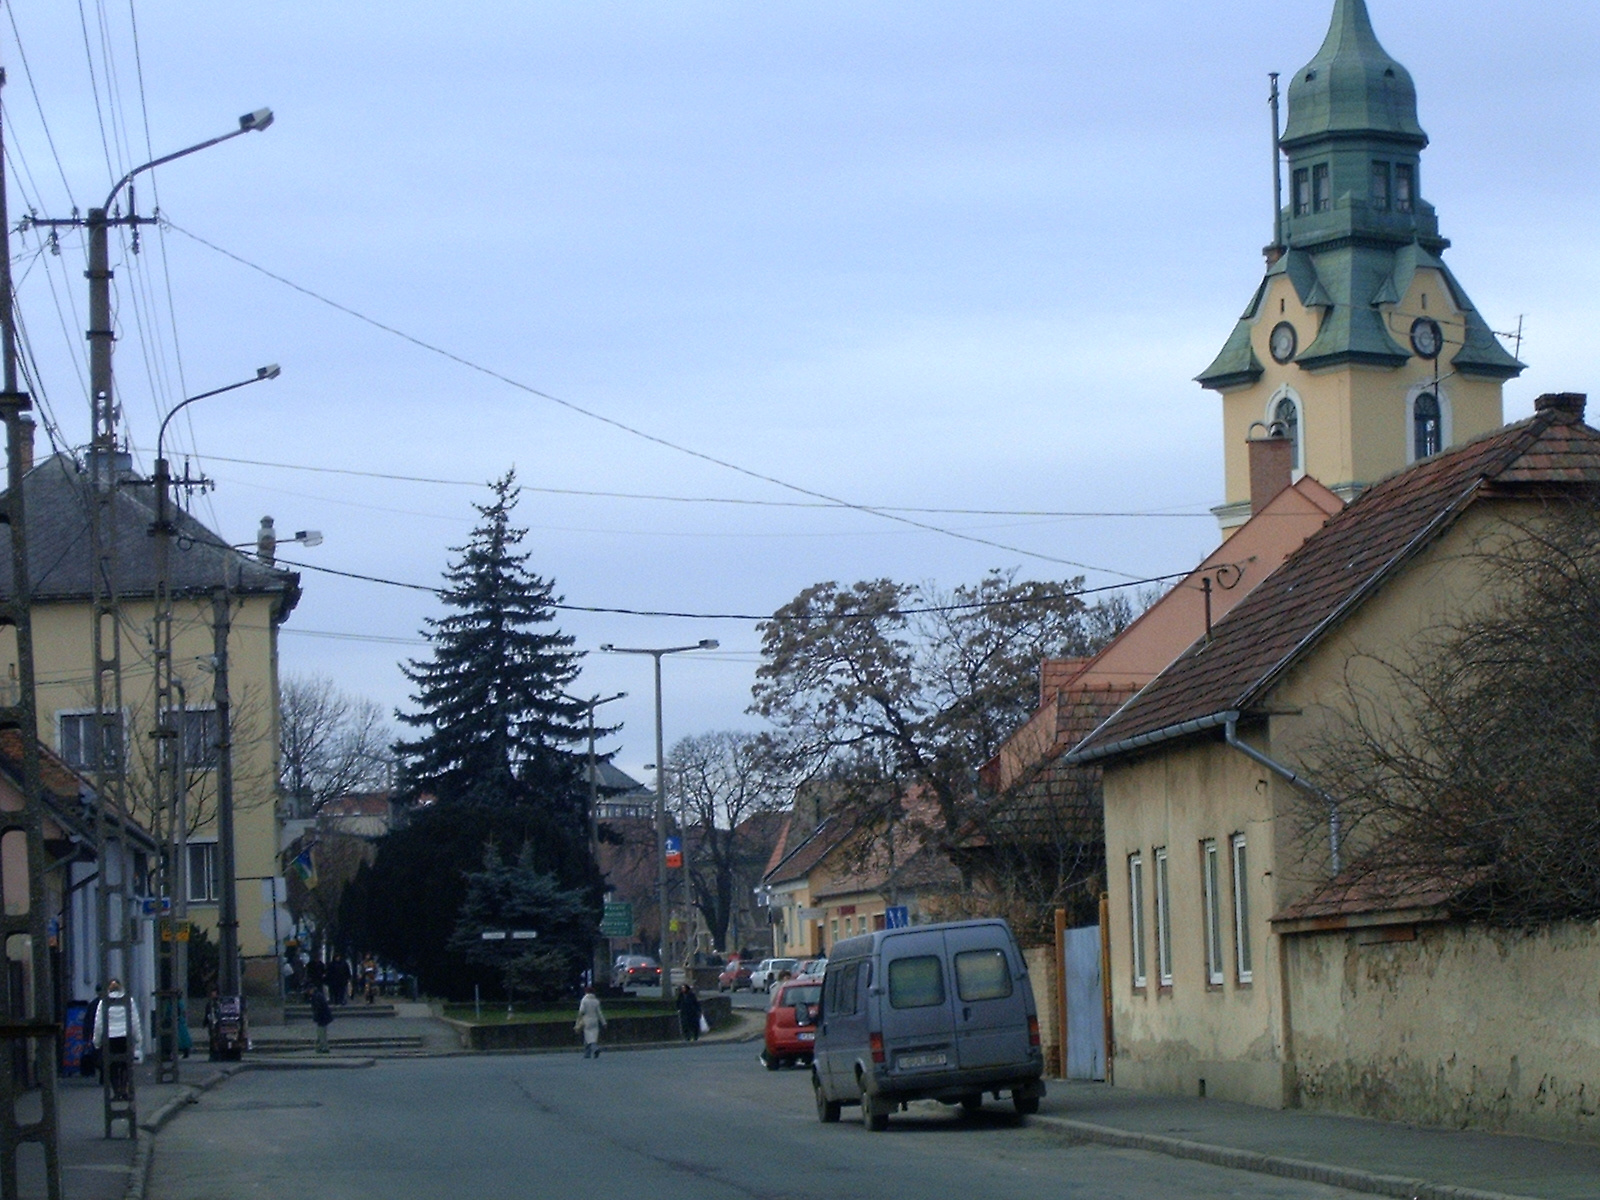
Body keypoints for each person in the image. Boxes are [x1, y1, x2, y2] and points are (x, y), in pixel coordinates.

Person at [91, 979, 143, 1100]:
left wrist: (97, 1041)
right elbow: (134, 1021)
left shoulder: (104, 1002)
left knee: (111, 1066)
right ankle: (124, 1089)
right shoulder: (128, 1000)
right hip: (125, 1037)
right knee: (126, 1064)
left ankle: (116, 1091)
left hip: (110, 1038)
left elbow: (98, 1023)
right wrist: (138, 1039)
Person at [574, 986, 606, 1059]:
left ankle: (595, 1049)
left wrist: (577, 1023)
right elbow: (599, 1013)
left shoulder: (584, 1000)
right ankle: (587, 1054)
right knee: (592, 1037)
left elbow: (581, 1011)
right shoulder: (596, 1001)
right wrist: (604, 1022)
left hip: (587, 1020)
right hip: (595, 1021)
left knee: (588, 1037)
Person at [307, 986, 334, 1054]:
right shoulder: (318, 995)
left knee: (321, 1033)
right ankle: (320, 1047)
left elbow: (318, 1008)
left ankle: (324, 1048)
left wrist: (316, 1017)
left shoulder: (316, 997)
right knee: (321, 1033)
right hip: (323, 1018)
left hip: (322, 1018)